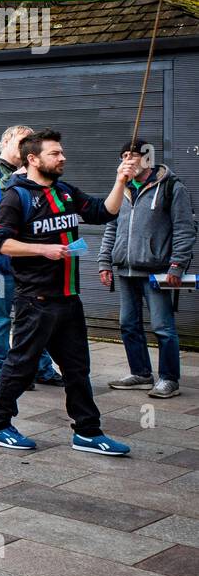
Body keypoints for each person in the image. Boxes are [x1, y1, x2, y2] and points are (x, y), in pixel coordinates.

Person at [0, 128, 135, 455]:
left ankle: (88, 432)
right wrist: (43, 251)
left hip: (68, 298)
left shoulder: (65, 192)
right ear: (33, 159)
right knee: (21, 365)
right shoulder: (16, 196)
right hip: (35, 299)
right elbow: (0, 243)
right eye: (55, 153)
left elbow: (104, 211)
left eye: (62, 152)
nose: (62, 157)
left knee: (77, 369)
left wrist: (121, 180)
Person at [99, 138, 194, 399]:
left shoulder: (172, 187)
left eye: (133, 155)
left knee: (163, 327)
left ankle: (169, 379)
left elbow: (185, 229)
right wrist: (104, 262)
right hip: (125, 270)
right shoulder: (123, 188)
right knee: (128, 324)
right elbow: (111, 226)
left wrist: (177, 265)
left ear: (147, 158)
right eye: (124, 156)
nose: (128, 161)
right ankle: (141, 374)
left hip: (157, 270)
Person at [0, 125, 62, 388]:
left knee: (34, 316)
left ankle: (41, 368)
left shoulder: (35, 172)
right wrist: (23, 174)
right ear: (6, 142)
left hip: (29, 259)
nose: (28, 146)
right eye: (23, 140)